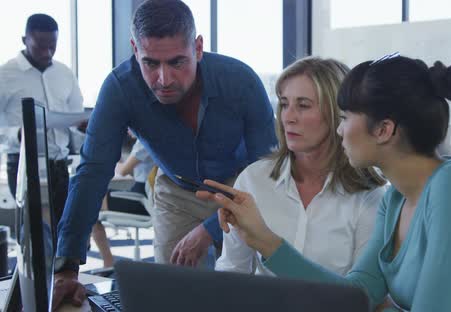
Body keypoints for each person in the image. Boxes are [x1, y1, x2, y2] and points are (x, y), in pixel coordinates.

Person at [198, 55, 451, 311]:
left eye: (345, 118)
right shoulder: (395, 199)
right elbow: (357, 297)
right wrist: (266, 241)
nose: (340, 131)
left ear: (383, 130)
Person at [52, 0, 276, 308]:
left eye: (177, 62)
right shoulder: (120, 88)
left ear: (197, 47)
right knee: (173, 298)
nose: (164, 79)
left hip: (240, 189)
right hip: (177, 191)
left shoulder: (240, 81)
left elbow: (266, 172)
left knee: (251, 293)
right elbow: (92, 172)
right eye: (151, 64)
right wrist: (66, 269)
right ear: (135, 49)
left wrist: (210, 229)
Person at [215, 57, 386, 276]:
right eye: (285, 104)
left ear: (336, 113)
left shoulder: (370, 197)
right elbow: (231, 270)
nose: (288, 117)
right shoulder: (253, 179)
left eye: (303, 106)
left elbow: (361, 294)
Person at [0, 13, 85, 225]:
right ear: (25, 40)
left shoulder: (65, 73)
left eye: (52, 46)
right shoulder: (5, 75)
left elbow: (76, 116)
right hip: (23, 165)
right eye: (40, 46)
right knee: (34, 235)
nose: (47, 52)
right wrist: (18, 134)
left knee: (64, 231)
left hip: (59, 166)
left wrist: (83, 126)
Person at [91, 139, 155, 268]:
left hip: (143, 201)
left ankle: (108, 262)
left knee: (90, 204)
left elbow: (124, 171)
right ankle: (107, 261)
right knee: (93, 200)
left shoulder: (144, 141)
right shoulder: (149, 138)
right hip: (146, 195)